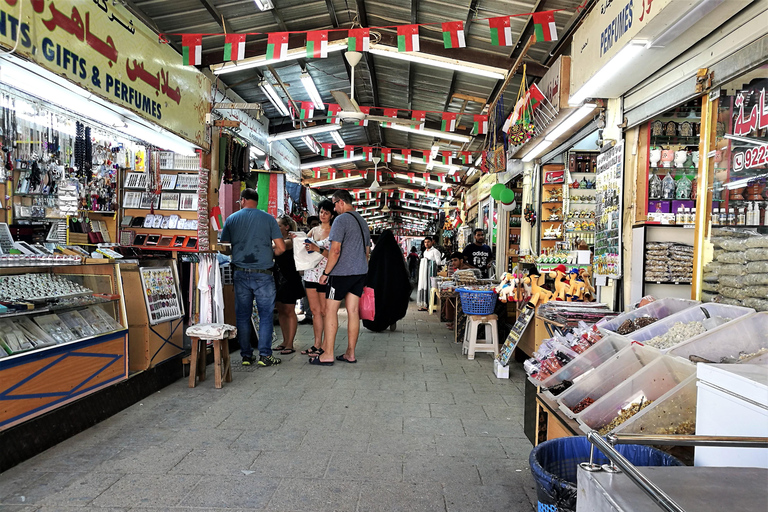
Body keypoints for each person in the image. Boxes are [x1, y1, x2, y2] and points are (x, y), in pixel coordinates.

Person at [220, 188, 285, 367]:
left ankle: (246, 356)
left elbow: (224, 247)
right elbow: (281, 248)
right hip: (263, 274)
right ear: (257, 201)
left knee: (242, 316)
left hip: (240, 272)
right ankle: (265, 355)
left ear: (242, 200)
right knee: (265, 315)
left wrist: (239, 250)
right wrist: (268, 251)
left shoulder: (232, 219)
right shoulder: (269, 219)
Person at [315, 190, 371, 365]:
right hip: (360, 272)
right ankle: (350, 353)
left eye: (333, 204)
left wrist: (326, 273)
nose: (334, 208)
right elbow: (367, 251)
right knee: (353, 311)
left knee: (331, 310)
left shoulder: (340, 220)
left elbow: (335, 250)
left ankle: (328, 354)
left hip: (340, 273)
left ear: (340, 202)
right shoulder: (362, 221)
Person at [300, 200, 335, 357]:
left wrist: (317, 249)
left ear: (332, 215)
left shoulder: (334, 232)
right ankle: (316, 344)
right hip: (310, 273)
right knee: (315, 311)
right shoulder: (313, 230)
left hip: (325, 274)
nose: (323, 215)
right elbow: (301, 245)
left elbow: (334, 254)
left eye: (326, 212)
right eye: (321, 212)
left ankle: (326, 345)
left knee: (324, 311)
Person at [363, 229, 411, 332]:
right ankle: (392, 319)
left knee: (379, 302)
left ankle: (377, 321)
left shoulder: (377, 252)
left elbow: (371, 268)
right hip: (393, 284)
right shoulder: (396, 251)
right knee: (392, 300)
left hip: (378, 284)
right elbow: (402, 268)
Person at [273, 215, 306, 355]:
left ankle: (290, 343)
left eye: (279, 225)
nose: (276, 228)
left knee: (289, 310)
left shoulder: (291, 241)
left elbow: (278, 249)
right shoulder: (279, 240)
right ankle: (285, 341)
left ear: (286, 227)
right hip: (278, 278)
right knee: (281, 310)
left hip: (289, 278)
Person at [299, 216, 322, 326]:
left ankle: (317, 316)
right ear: (308, 226)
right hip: (308, 271)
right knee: (307, 296)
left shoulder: (324, 234)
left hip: (322, 272)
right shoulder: (306, 238)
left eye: (317, 223)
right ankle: (309, 315)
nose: (316, 226)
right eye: (313, 224)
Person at [417, 236, 442, 311]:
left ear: (432, 242)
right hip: (425, 273)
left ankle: (432, 305)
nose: (426, 244)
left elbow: (438, 262)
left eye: (428, 242)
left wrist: (430, 262)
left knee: (431, 287)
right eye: (425, 242)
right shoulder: (425, 252)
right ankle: (426, 304)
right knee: (425, 287)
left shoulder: (435, 251)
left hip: (432, 272)